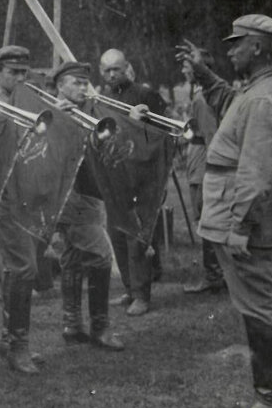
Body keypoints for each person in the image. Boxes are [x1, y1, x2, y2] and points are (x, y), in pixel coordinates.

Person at [179, 15, 272, 408]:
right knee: (270, 305)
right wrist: (204, 72)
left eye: (238, 43)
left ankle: (271, 396)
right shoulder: (261, 89)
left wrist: (239, 227)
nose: (230, 49)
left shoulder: (265, 98)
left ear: (259, 48)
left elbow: (255, 171)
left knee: (260, 308)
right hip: (244, 208)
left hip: (244, 212)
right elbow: (230, 103)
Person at [51, 61, 124, 351]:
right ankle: (100, 328)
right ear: (60, 86)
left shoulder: (87, 109)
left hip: (89, 195)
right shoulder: (54, 112)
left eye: (85, 83)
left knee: (71, 257)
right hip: (72, 196)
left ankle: (72, 324)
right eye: (75, 83)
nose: (83, 88)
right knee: (102, 255)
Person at [0, 45, 44, 375]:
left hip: (23, 194)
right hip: (1, 198)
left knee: (17, 269)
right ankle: (18, 346)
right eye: (13, 72)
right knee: (24, 268)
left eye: (24, 72)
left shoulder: (20, 102)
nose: (20, 78)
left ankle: (11, 340)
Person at [99, 48, 167, 316]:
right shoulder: (102, 98)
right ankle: (129, 289)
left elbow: (162, 132)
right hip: (116, 176)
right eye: (107, 69)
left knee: (136, 238)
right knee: (116, 233)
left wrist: (139, 123)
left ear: (127, 67)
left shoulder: (145, 94)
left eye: (117, 68)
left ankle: (142, 295)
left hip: (142, 177)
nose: (112, 74)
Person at [181, 52, 224, 294]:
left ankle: (214, 275)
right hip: (199, 159)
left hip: (203, 163)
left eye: (188, 67)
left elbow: (211, 137)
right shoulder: (202, 95)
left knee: (206, 217)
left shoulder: (202, 99)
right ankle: (217, 273)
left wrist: (211, 171)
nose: (183, 72)